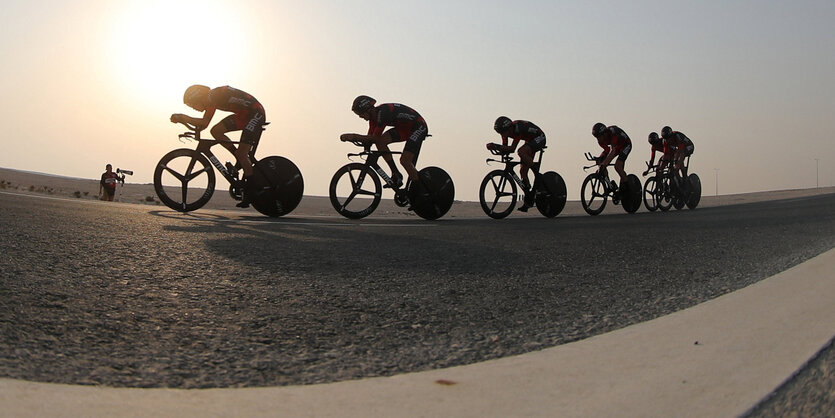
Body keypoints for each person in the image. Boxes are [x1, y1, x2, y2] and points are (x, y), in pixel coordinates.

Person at [170, 85, 266, 207]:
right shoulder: (211, 98)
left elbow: (204, 123)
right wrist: (184, 120)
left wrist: (183, 117)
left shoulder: (213, 96)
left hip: (255, 113)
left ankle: (251, 191)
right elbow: (204, 125)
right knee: (216, 131)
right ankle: (239, 159)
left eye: (192, 105)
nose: (194, 108)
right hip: (244, 114)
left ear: (198, 97)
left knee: (242, 154)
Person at [340, 95, 428, 190]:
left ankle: (421, 189)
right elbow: (370, 139)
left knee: (405, 161)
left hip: (418, 127)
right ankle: (395, 173)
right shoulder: (373, 119)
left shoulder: (383, 112)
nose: (361, 117)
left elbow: (374, 137)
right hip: (404, 128)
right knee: (380, 142)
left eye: (361, 114)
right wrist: (362, 143)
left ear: (368, 109)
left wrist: (353, 136)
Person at [486, 116, 547, 211]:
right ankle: (529, 199)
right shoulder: (505, 133)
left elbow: (512, 148)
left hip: (539, 137)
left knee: (521, 151)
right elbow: (505, 148)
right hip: (529, 140)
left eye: (503, 132)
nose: (502, 134)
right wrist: (496, 148)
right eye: (500, 132)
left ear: (509, 128)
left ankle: (537, 174)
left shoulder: (517, 129)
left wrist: (496, 146)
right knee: (522, 171)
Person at [591, 122, 632, 196]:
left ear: (604, 133)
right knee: (601, 163)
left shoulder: (613, 133)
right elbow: (607, 151)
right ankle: (610, 185)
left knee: (617, 166)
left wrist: (605, 162)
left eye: (599, 136)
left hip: (625, 145)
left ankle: (627, 188)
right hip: (616, 147)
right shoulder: (600, 141)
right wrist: (601, 161)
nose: (598, 139)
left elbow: (612, 151)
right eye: (596, 137)